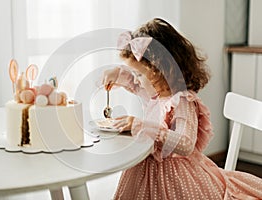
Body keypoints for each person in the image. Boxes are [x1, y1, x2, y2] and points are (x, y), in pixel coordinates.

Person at [102, 18, 262, 199]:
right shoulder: (155, 93)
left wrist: (143, 126)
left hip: (175, 177)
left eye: (139, 74)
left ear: (159, 70)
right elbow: (135, 84)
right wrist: (118, 73)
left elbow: (186, 144)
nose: (136, 79)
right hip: (146, 172)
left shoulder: (182, 101)